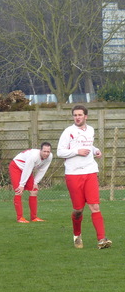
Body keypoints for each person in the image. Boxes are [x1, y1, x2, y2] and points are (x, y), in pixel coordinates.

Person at [57, 105, 111, 249]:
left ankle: (102, 239)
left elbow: (89, 146)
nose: (77, 117)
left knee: (94, 206)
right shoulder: (68, 132)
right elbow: (60, 152)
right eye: (75, 115)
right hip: (73, 174)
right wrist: (76, 151)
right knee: (78, 210)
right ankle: (77, 234)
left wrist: (96, 150)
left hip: (90, 172)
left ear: (86, 116)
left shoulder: (91, 130)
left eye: (80, 115)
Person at [9, 142, 53, 223]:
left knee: (34, 191)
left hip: (26, 169)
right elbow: (27, 169)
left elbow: (43, 170)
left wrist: (35, 182)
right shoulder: (34, 156)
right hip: (16, 166)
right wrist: (22, 185)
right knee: (19, 191)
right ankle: (20, 218)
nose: (46, 153)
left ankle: (34, 217)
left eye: (48, 152)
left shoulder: (50, 157)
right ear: (40, 150)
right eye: (44, 151)